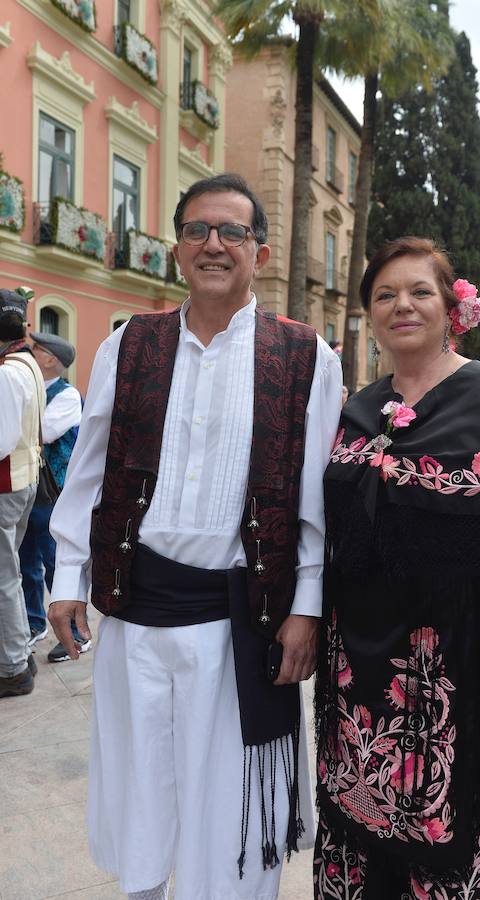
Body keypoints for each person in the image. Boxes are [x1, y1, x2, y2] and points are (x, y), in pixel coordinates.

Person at [48, 173, 342, 900]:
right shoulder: (130, 346)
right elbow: (90, 469)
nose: (213, 245)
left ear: (260, 252)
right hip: (135, 611)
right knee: (141, 782)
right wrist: (66, 576)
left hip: (239, 619)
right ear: (176, 249)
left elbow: (313, 498)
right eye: (196, 231)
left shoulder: (306, 356)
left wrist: (306, 605)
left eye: (232, 232)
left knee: (231, 810)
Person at [314, 238, 480, 900]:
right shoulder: (358, 407)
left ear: (453, 305)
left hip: (466, 666)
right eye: (384, 295)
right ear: (369, 313)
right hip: (362, 675)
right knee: (366, 835)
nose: (401, 305)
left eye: (418, 291)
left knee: (463, 838)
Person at [19, 332, 86, 661]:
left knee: (55, 560)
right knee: (26, 559)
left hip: (51, 490)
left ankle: (75, 633)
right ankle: (34, 622)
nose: (30, 351)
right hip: (26, 487)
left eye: (37, 349)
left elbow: (44, 431)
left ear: (50, 360)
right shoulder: (28, 386)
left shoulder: (67, 395)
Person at [0, 288, 45, 698]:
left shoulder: (7, 372)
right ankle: (16, 655)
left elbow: (0, 439)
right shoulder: (27, 364)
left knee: (3, 576)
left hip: (6, 484)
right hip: (24, 479)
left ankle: (13, 666)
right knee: (8, 571)